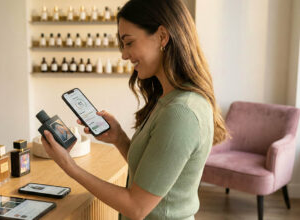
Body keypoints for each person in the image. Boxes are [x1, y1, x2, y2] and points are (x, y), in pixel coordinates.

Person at [41, 0, 228, 219]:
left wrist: (68, 165)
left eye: (129, 43)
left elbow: (136, 207)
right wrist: (119, 138)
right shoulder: (170, 99)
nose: (124, 54)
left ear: (162, 36)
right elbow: (153, 176)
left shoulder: (180, 112)